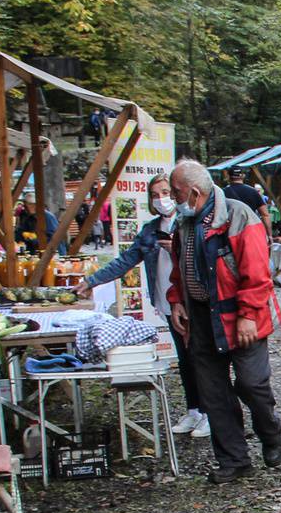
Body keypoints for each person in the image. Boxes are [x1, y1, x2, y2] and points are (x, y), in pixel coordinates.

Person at [165, 159, 281, 483]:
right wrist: (177, 299)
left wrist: (247, 315)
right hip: (202, 316)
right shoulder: (185, 222)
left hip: (240, 314)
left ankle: (270, 432)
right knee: (214, 391)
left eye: (175, 192)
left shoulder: (237, 216)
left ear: (193, 193)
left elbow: (258, 274)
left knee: (252, 383)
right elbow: (180, 269)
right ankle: (234, 459)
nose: (171, 198)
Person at [79, 172, 208, 439]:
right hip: (166, 302)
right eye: (155, 194)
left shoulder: (191, 224)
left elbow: (205, 260)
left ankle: (211, 414)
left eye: (166, 193)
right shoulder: (150, 229)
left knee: (200, 357)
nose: (162, 199)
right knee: (184, 359)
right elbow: (125, 261)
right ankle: (194, 409)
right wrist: (92, 281)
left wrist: (177, 247)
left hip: (192, 301)